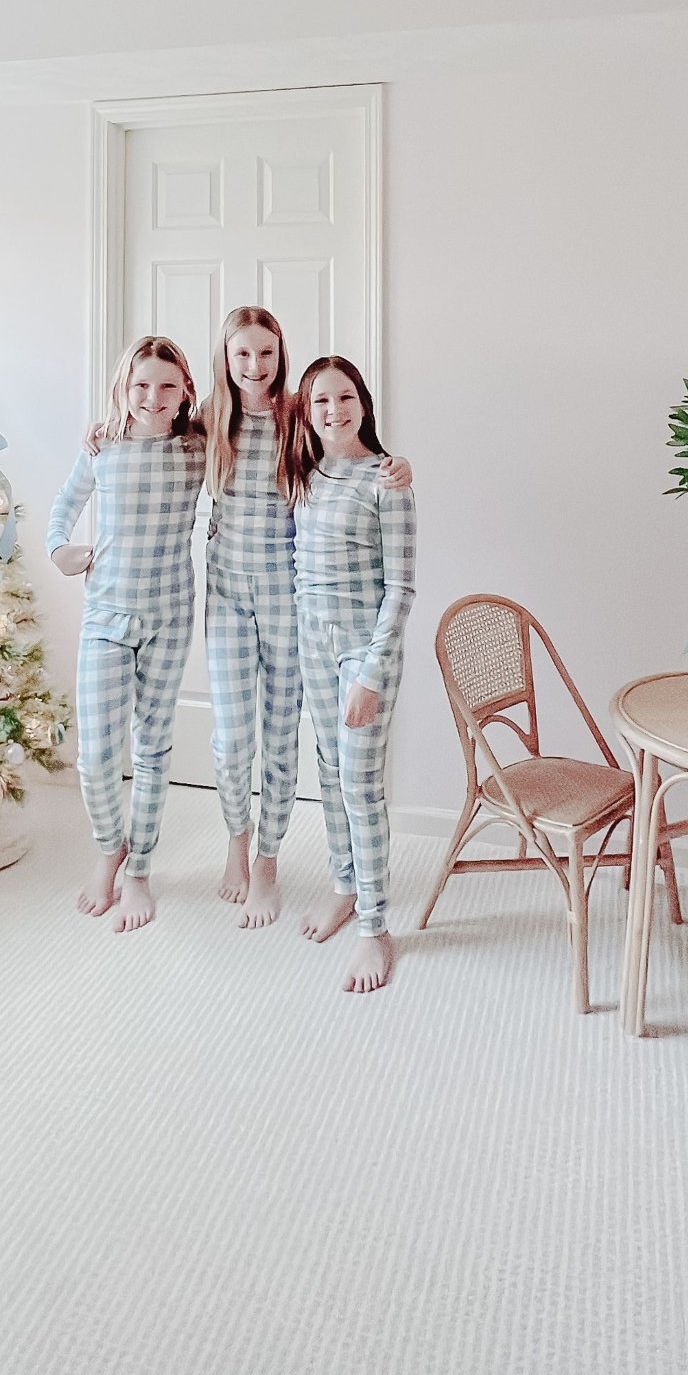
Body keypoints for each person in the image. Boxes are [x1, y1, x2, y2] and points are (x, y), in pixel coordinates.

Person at [202, 308, 412, 929]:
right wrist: (106, 430)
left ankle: (285, 869)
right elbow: (151, 421)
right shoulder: (215, 419)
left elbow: (398, 577)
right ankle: (246, 847)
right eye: (242, 354)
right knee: (245, 740)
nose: (254, 366)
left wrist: (399, 467)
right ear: (226, 356)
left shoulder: (299, 415)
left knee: (323, 761)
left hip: (303, 613)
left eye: (266, 353)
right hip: (241, 600)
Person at [49, 335, 204, 933]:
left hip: (170, 615)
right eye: (141, 385)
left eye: (168, 385)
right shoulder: (103, 448)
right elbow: (63, 508)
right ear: (123, 388)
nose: (153, 396)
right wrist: (61, 550)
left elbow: (253, 418)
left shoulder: (196, 449)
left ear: (185, 390)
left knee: (153, 747)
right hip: (107, 614)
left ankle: (139, 867)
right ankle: (108, 847)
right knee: (95, 757)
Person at [288, 356, 416, 993]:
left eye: (343, 398)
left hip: (363, 653)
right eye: (319, 402)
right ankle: (344, 884)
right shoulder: (306, 474)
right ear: (305, 414)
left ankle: (376, 928)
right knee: (330, 774)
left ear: (363, 402)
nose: (332, 411)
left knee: (361, 786)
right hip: (312, 644)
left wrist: (370, 672)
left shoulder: (386, 481)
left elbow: (402, 588)